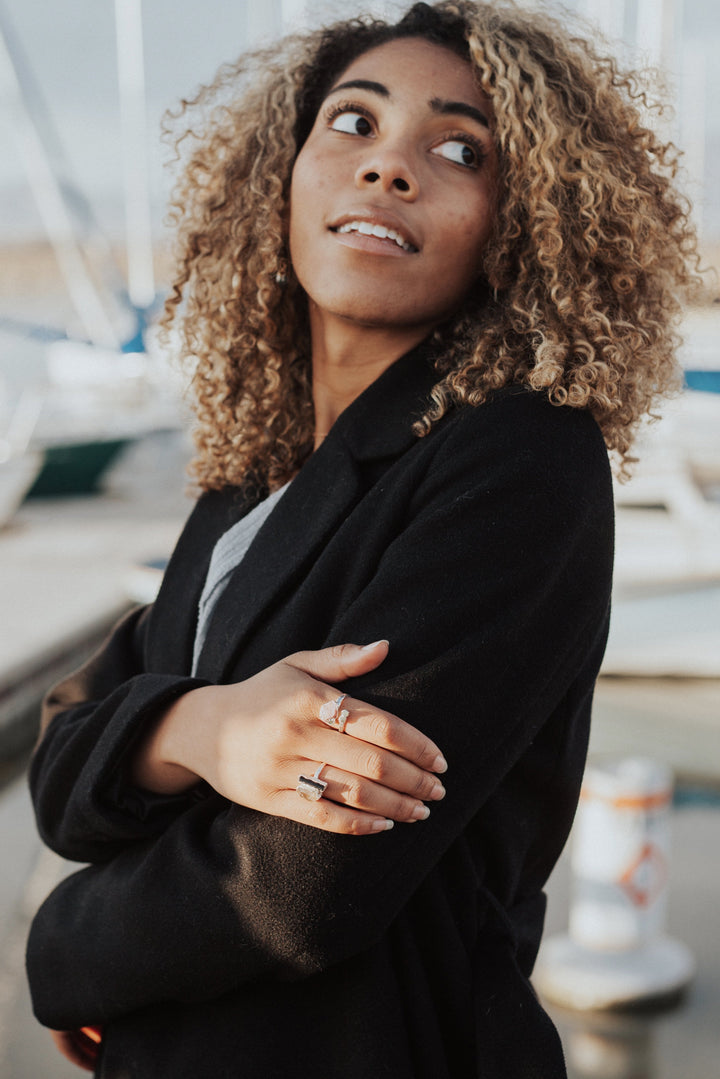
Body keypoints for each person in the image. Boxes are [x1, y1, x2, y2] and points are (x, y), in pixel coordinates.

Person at [26, 2, 698, 1076]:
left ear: (518, 222)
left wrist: (65, 949)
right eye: (353, 123)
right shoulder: (257, 471)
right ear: (280, 177)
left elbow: (304, 881)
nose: (389, 168)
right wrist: (201, 727)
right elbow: (64, 754)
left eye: (458, 148)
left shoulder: (519, 456)